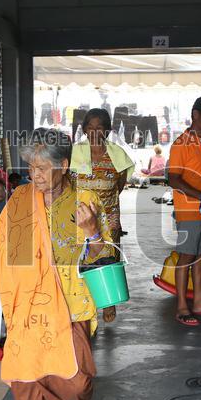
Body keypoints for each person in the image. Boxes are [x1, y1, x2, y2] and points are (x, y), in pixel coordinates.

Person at [0, 128, 112, 400]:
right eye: (31, 167)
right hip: (30, 306)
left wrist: (91, 233)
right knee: (25, 380)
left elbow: (105, 259)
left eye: (44, 167)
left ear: (64, 165)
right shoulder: (20, 199)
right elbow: (9, 254)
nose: (36, 175)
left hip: (73, 303)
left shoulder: (85, 199)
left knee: (76, 378)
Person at [70, 108, 133, 324]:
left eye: (100, 127)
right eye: (91, 127)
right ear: (84, 129)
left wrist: (105, 202)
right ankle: (83, 304)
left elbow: (121, 182)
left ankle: (108, 302)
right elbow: (67, 182)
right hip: (80, 215)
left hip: (109, 215)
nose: (95, 131)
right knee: (81, 256)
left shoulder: (116, 153)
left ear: (107, 130)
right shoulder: (75, 152)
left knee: (106, 256)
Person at [166, 96, 201, 326]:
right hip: (189, 211)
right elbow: (174, 179)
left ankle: (199, 302)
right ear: (195, 115)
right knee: (187, 257)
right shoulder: (181, 143)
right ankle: (181, 307)